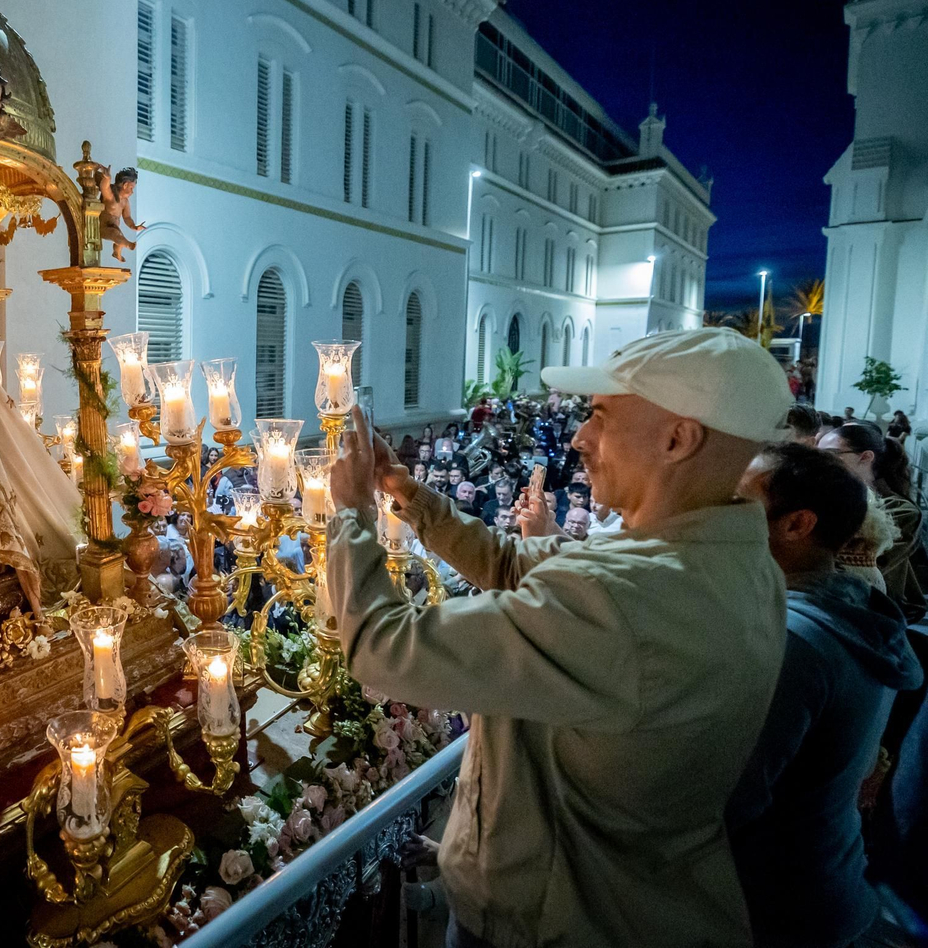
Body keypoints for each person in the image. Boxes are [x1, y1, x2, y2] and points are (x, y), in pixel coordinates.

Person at [328, 328, 791, 947]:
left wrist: (350, 511)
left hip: (556, 920)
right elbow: (519, 565)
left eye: (600, 415)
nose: (579, 437)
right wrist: (407, 493)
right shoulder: (728, 562)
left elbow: (380, 647)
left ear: (677, 438)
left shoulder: (627, 599)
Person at [728, 443, 923, 948]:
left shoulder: (793, 639)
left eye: (737, 500)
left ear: (796, 524)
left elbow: (730, 797)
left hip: (776, 911)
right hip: (826, 891)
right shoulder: (851, 609)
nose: (716, 512)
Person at [818, 420, 923, 619]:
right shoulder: (829, 496)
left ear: (865, 457)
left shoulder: (900, 509)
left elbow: (868, 564)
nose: (820, 462)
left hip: (872, 613)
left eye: (830, 455)